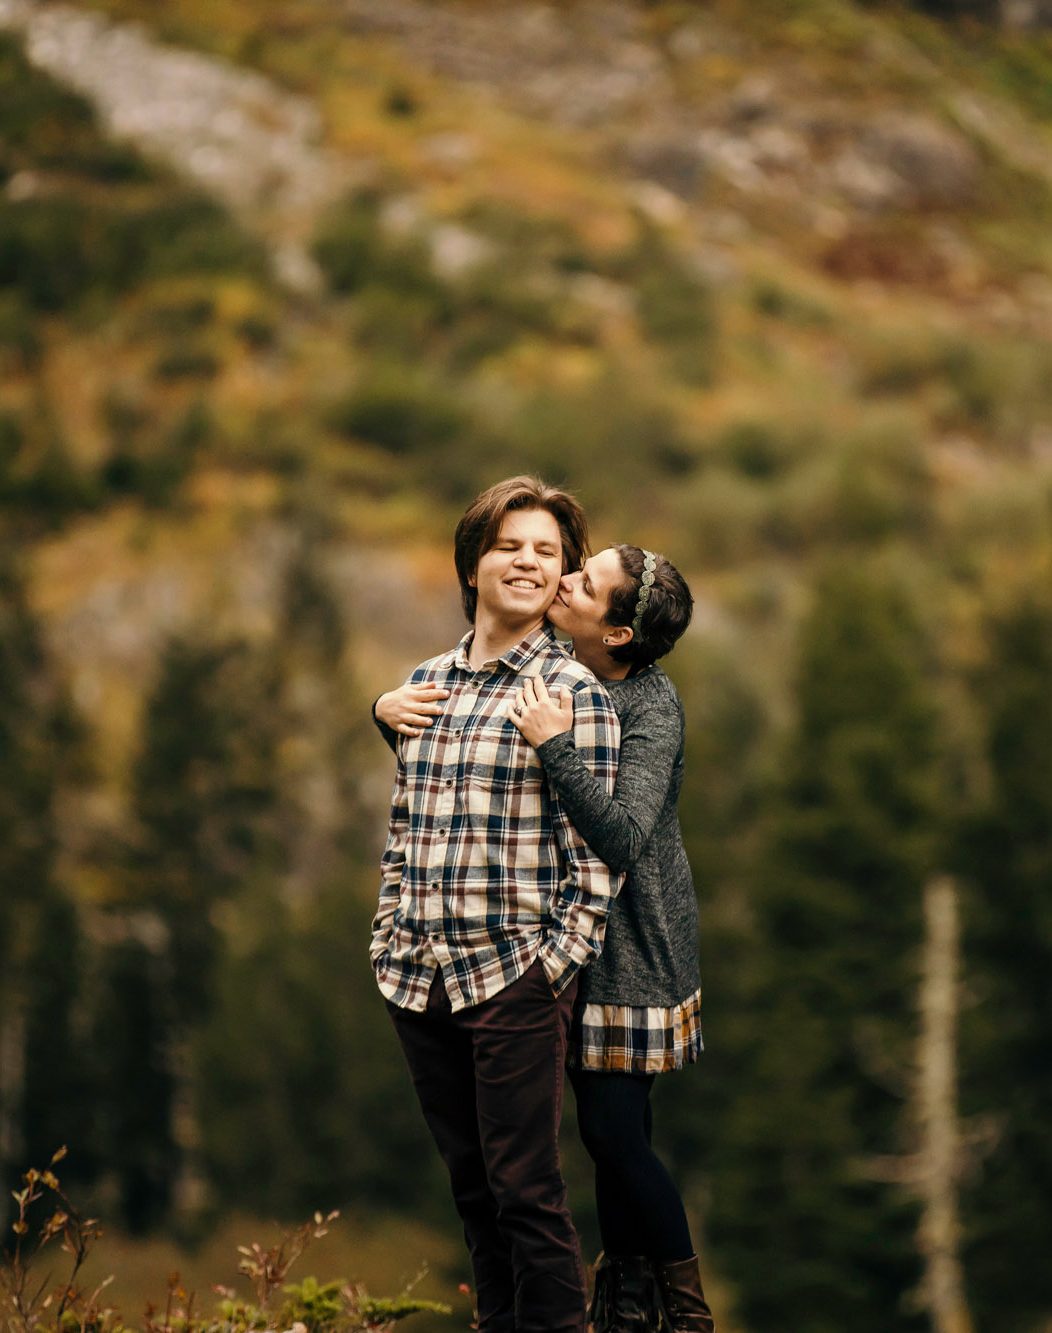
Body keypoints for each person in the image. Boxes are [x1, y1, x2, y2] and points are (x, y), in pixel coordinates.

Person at [378, 542, 713, 1333]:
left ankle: (688, 1312)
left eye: (585, 583)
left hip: (634, 942)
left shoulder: (650, 708)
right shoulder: (563, 660)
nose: (564, 580)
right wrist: (383, 710)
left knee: (611, 1130)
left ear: (619, 633)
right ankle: (628, 1301)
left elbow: (626, 837)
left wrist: (555, 748)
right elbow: (472, 759)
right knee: (614, 1135)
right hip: (569, 925)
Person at [370, 476, 622, 1333]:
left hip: (515, 977)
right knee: (473, 1188)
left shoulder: (570, 693)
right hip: (421, 977)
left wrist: (552, 967)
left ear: (563, 579)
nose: (527, 561)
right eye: (510, 545)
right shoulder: (423, 684)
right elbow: (407, 825)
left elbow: (595, 858)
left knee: (527, 1191)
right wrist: (389, 932)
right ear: (472, 562)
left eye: (547, 552)